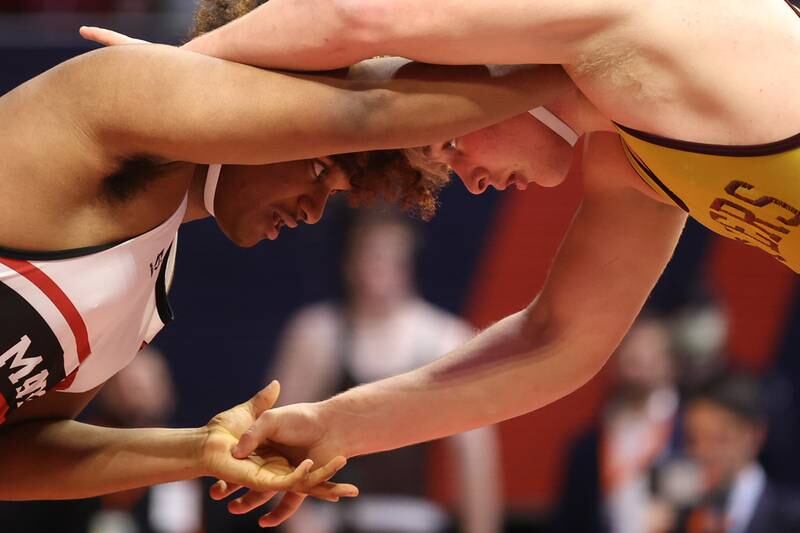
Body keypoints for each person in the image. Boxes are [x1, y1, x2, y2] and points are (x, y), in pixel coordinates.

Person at [98, 0, 800, 524]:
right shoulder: (632, 158)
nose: (463, 174)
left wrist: (174, 75)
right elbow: (555, 343)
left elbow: (357, 16)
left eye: (444, 144)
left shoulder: (634, 22)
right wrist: (340, 422)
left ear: (486, 67)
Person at [0, 0, 568, 521]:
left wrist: (198, 449)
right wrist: (573, 70)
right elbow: (370, 109)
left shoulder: (148, 289)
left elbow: (15, 455)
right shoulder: (113, 91)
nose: (315, 211)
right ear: (257, 96)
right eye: (320, 169)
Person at [271, 208, 501, 533]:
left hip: (412, 519)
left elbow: (474, 455)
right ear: (348, 260)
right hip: (327, 520)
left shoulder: (444, 339)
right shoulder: (317, 335)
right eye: (369, 253)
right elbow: (275, 441)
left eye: (388, 254)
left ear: (409, 258)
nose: (377, 267)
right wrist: (296, 522)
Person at [550, 316, 682, 533]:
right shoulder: (586, 445)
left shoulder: (689, 432)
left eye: (651, 356)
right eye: (633, 357)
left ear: (671, 363)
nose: (640, 367)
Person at [673, 374, 800, 533]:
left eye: (720, 439)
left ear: (755, 436)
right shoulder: (678, 514)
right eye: (693, 439)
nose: (703, 452)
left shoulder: (791, 518)